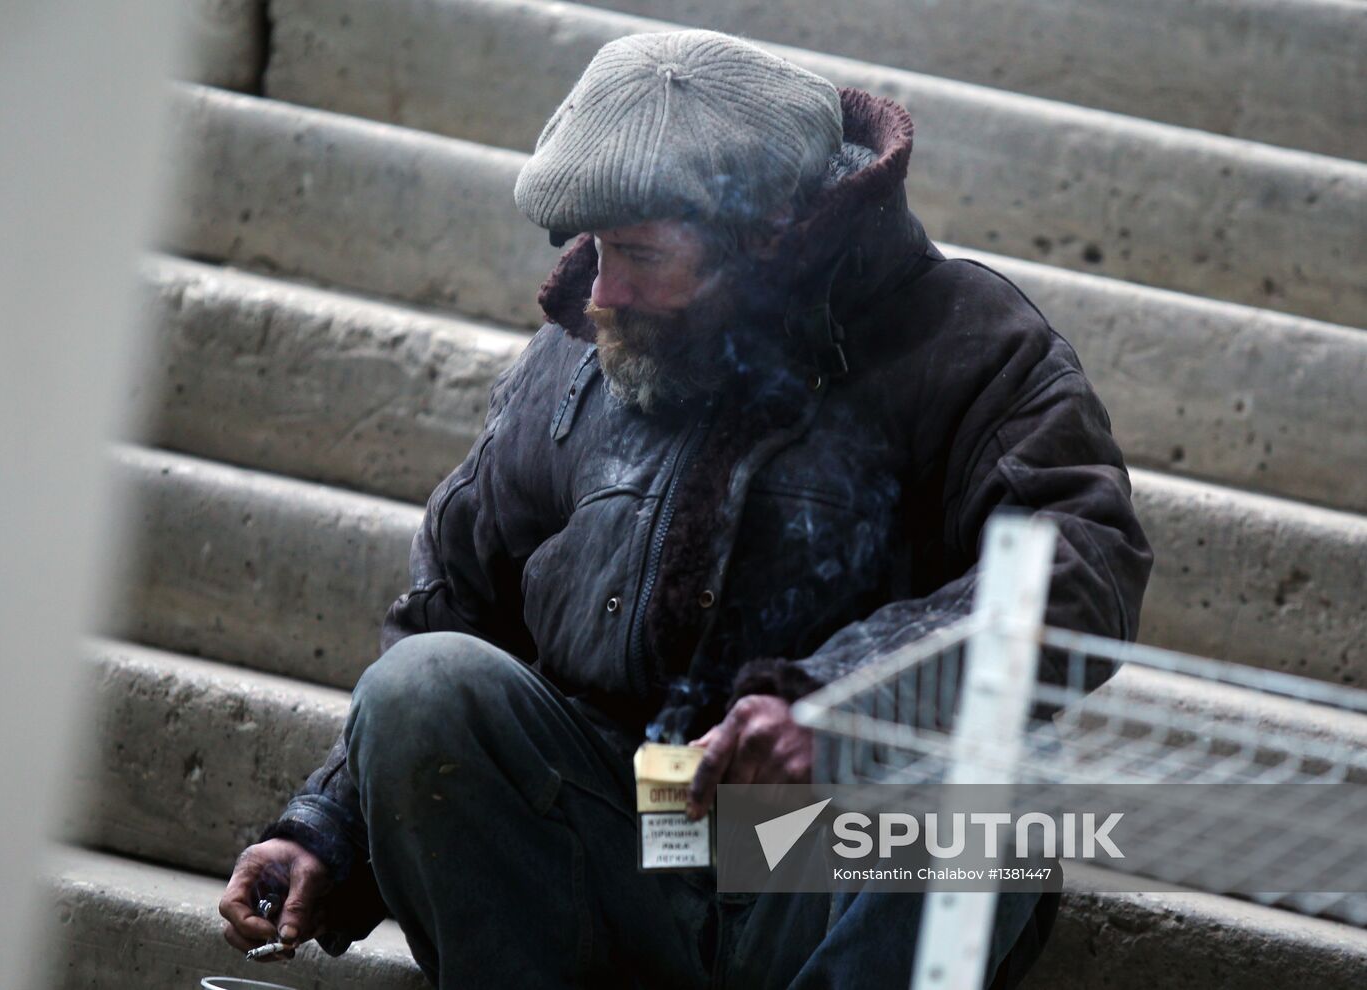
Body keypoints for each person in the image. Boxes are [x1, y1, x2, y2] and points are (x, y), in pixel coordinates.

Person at [218, 29, 1153, 988]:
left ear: (771, 234)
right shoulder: (579, 354)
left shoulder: (978, 345)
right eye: (594, 249)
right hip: (619, 825)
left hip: (818, 847)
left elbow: (1080, 569)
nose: (602, 292)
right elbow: (454, 604)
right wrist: (328, 827)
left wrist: (838, 706)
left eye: (639, 254)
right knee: (423, 683)